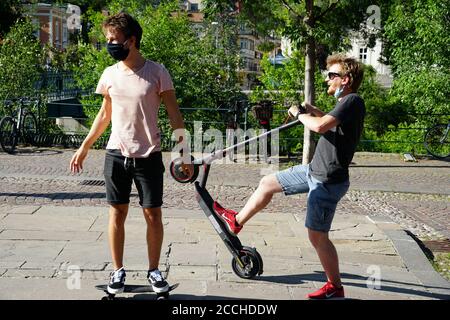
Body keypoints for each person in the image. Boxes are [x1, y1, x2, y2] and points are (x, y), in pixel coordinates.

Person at [214, 54, 365, 299]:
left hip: (327, 180)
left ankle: (335, 287)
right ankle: (236, 221)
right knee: (267, 183)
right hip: (313, 171)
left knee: (317, 235)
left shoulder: (353, 101)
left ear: (345, 80)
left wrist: (298, 114)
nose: (327, 80)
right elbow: (328, 120)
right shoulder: (346, 103)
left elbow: (319, 126)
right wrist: (311, 110)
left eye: (331, 76)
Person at [69, 12, 191, 295]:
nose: (109, 44)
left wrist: (183, 153)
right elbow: (104, 115)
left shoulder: (157, 72)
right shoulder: (109, 74)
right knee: (117, 212)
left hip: (149, 155)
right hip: (115, 154)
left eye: (113, 39)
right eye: (108, 39)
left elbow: (175, 115)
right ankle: (117, 271)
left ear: (131, 40)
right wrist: (84, 147)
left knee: (153, 214)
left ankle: (154, 271)